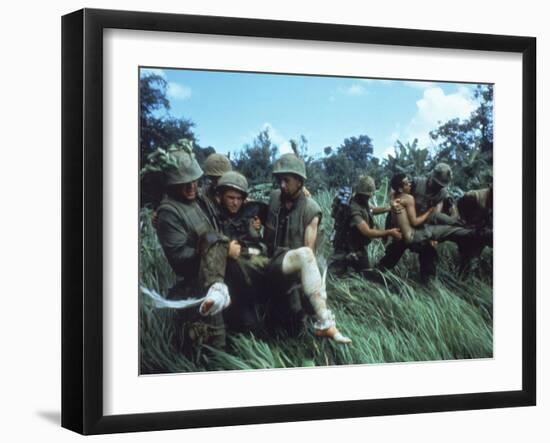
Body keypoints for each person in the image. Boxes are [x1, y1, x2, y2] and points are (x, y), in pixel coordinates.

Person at [155, 146, 240, 352]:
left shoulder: (197, 199)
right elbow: (178, 259)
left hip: (218, 267)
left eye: (194, 180)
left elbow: (214, 221)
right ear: (172, 184)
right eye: (185, 183)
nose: (192, 186)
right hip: (199, 279)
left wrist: (217, 243)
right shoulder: (169, 212)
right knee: (214, 342)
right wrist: (212, 248)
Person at [263, 153, 351, 344]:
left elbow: (308, 253)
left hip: (293, 272)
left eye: (286, 180)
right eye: (279, 180)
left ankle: (321, 325)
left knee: (295, 326)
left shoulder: (311, 210)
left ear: (299, 181)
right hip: (268, 263)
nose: (282, 185)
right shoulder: (274, 198)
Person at [377, 163, 457, 282]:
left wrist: (433, 236)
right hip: (403, 227)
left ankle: (427, 285)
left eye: (441, 185)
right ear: (431, 177)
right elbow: (395, 191)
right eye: (436, 183)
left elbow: (441, 213)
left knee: (429, 253)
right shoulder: (415, 182)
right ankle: (376, 275)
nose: (438, 187)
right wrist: (392, 202)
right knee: (394, 251)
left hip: (421, 229)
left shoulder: (443, 194)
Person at [215, 171, 270, 332]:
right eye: (231, 198)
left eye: (239, 199)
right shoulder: (213, 215)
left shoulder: (249, 213)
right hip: (227, 277)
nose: (235, 203)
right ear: (221, 197)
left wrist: (254, 232)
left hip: (251, 271)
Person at [330, 175, 402, 275]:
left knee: (364, 272)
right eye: (369, 194)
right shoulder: (354, 209)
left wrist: (389, 208)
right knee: (340, 273)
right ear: (362, 194)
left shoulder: (361, 201)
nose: (371, 196)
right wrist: (389, 232)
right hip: (346, 247)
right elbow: (367, 231)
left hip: (358, 246)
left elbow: (371, 210)